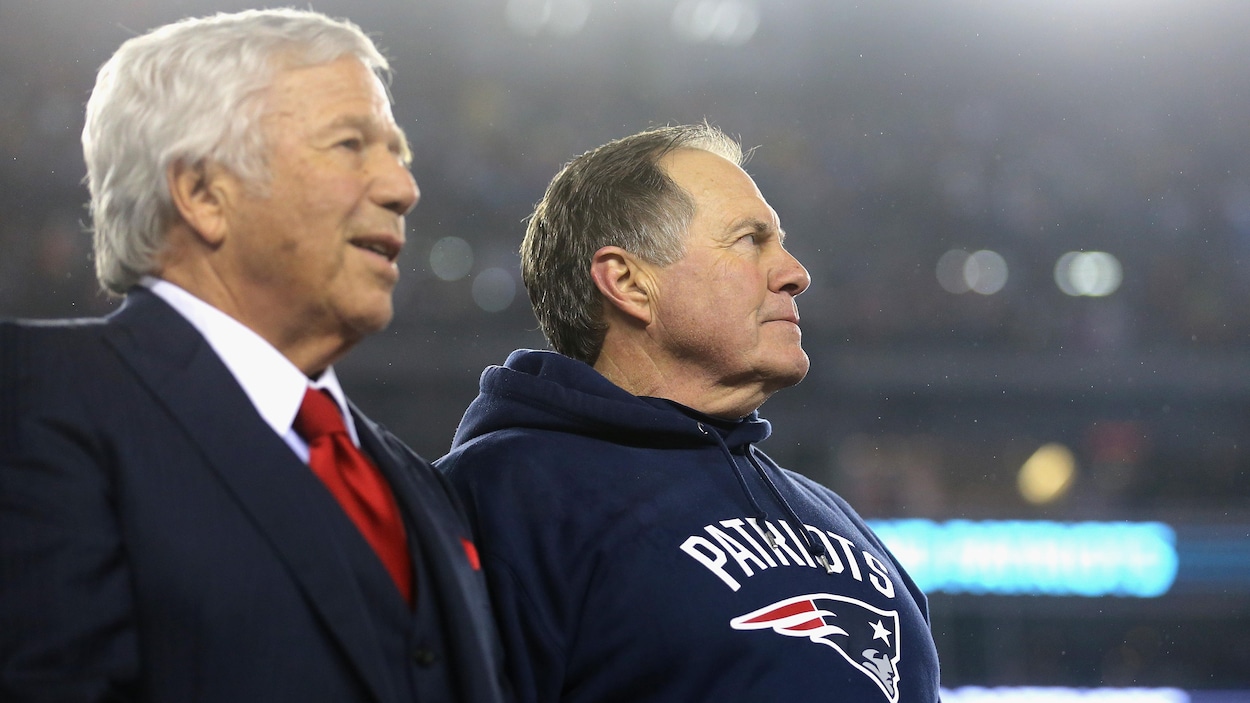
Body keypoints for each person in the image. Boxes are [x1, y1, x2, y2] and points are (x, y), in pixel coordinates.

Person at [0, 9, 509, 702]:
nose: (403, 188)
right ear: (203, 193)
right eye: (350, 144)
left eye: (398, 153)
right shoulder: (36, 397)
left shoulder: (418, 481)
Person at [436, 124, 941, 702]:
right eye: (750, 240)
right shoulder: (500, 497)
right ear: (628, 282)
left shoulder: (833, 515)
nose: (795, 274)